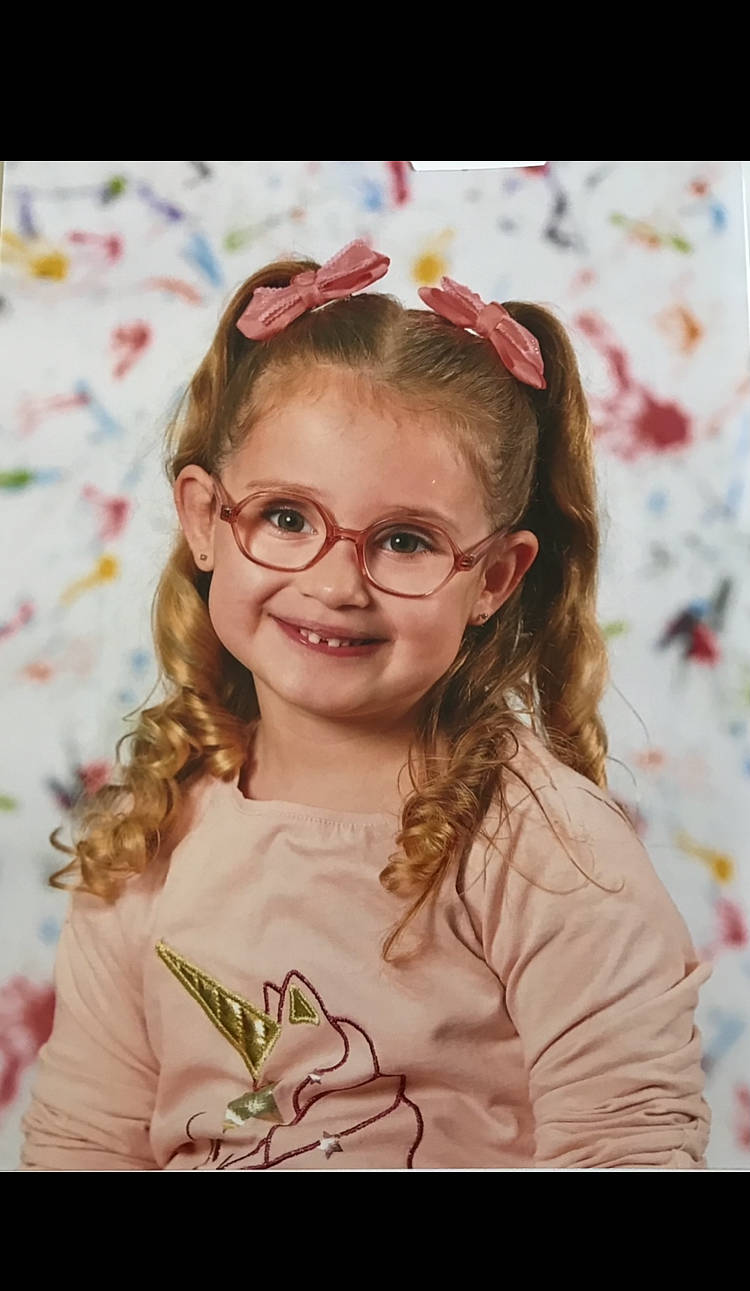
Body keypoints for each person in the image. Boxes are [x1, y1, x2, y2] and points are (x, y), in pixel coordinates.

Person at [20, 239, 712, 1171]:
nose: (338, 583)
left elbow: (628, 1146)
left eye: (405, 541)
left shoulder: (547, 854)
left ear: (495, 579)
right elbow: (84, 1143)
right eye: (289, 518)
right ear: (204, 519)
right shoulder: (152, 835)